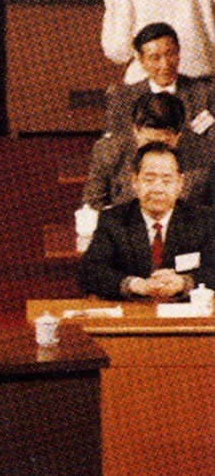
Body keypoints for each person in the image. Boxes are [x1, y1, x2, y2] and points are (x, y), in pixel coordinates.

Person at [78, 142, 214, 300]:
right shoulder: (113, 220)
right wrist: (135, 285)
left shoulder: (203, 220)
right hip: (134, 310)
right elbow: (89, 271)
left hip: (184, 310)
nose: (157, 189)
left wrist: (183, 282)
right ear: (134, 181)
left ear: (180, 183)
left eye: (166, 181)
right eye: (149, 180)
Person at [83, 93, 211, 211]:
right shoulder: (108, 151)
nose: (156, 149)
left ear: (178, 135)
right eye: (149, 141)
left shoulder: (205, 155)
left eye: (165, 143)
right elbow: (94, 203)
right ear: (135, 131)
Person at [105, 23, 214, 138]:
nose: (165, 64)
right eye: (155, 58)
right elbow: (111, 145)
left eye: (170, 54)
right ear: (142, 61)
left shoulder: (206, 93)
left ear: (178, 53)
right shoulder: (122, 100)